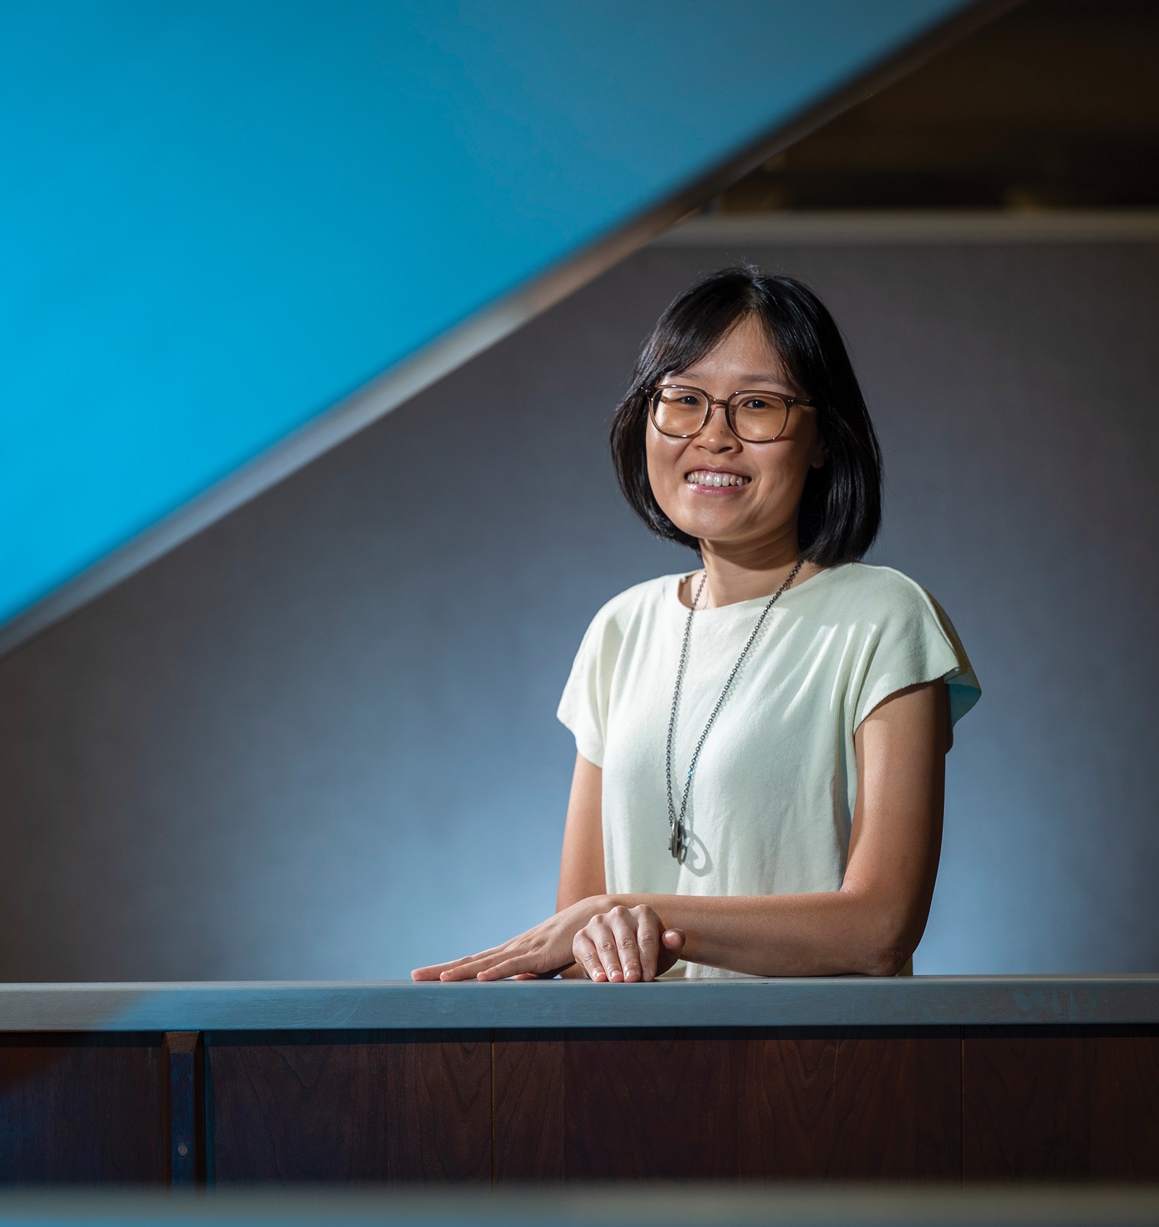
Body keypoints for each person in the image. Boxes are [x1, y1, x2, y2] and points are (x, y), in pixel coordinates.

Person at [412, 266, 978, 984]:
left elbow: (877, 929)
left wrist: (629, 912)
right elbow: (585, 937)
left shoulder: (883, 615)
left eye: (757, 405)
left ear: (823, 439)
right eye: (683, 400)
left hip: (823, 1076)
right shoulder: (619, 629)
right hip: (640, 1073)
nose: (713, 436)